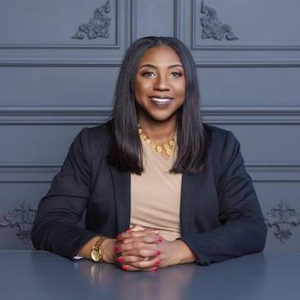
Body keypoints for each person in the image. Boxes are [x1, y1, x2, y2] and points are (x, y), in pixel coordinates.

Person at [32, 36, 267, 272]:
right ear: (131, 82)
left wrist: (175, 251)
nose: (162, 85)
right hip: (113, 280)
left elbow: (251, 227)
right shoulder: (93, 144)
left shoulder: (220, 145)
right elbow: (48, 223)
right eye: (148, 73)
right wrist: (110, 250)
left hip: (199, 279)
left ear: (189, 83)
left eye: (176, 74)